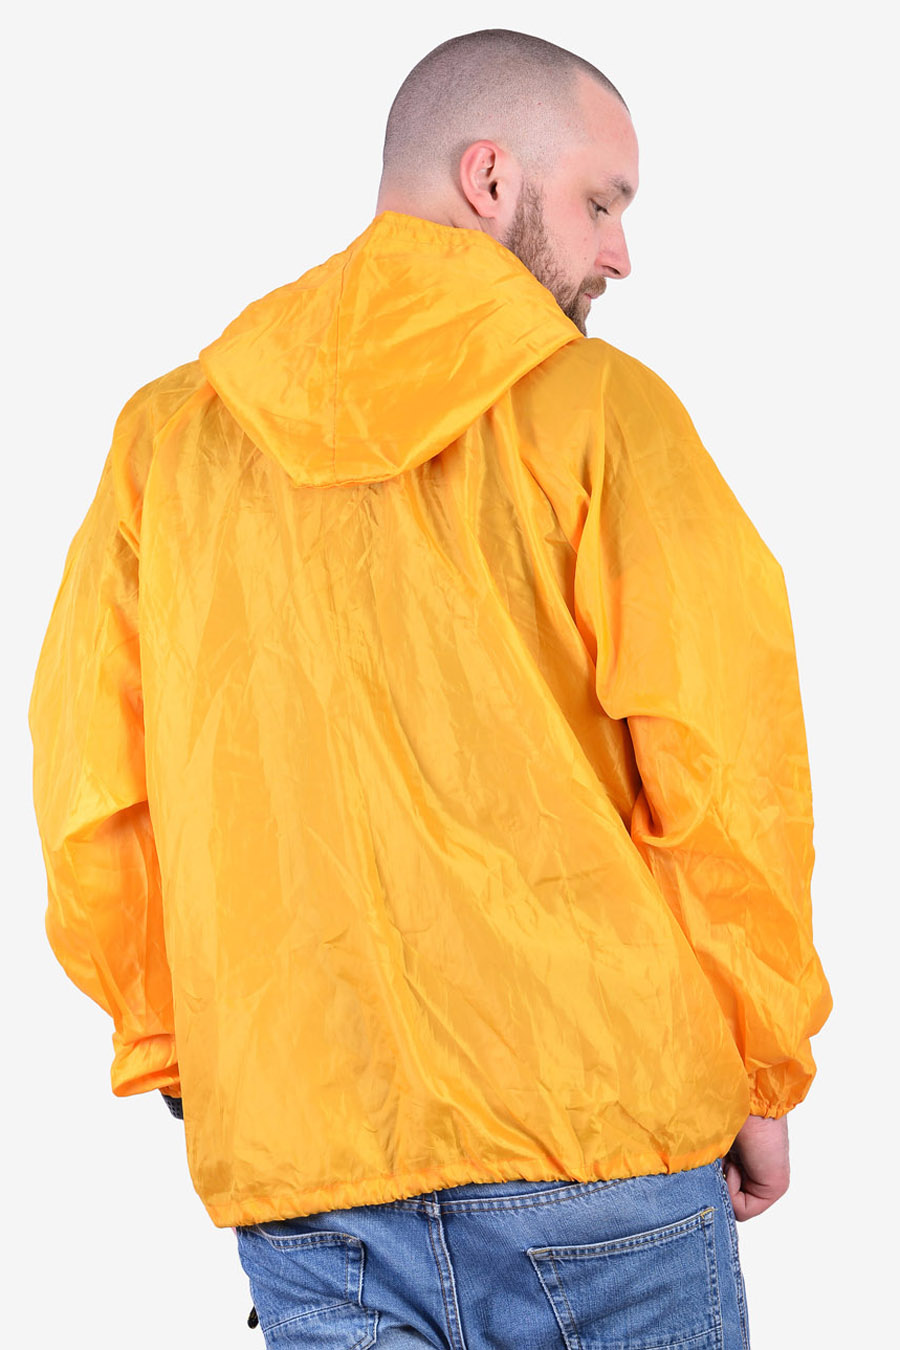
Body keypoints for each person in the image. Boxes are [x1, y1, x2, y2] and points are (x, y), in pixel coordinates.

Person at [28, 28, 832, 1349]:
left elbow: (91, 797)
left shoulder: (172, 439)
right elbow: (726, 773)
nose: (621, 253)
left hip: (313, 1180)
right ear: (490, 176)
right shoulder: (606, 414)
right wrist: (759, 1065)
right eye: (603, 203)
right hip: (605, 1146)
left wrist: (188, 1055)